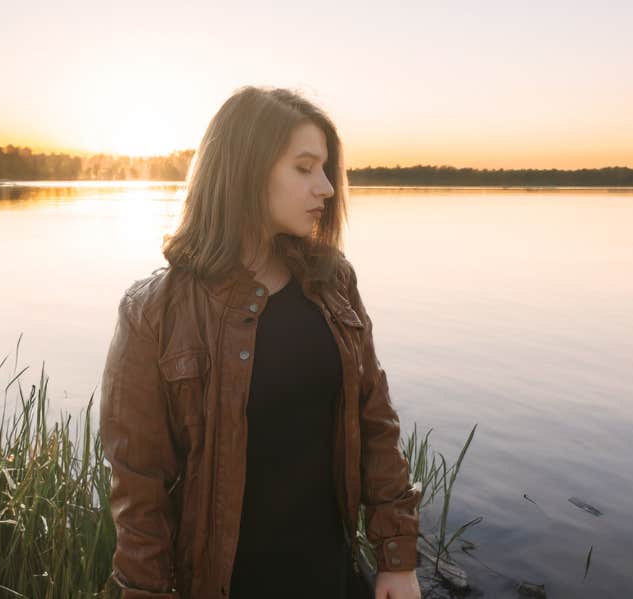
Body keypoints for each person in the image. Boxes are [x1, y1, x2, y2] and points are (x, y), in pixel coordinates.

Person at [99, 85, 423, 599]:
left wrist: (397, 559)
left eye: (325, 169)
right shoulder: (155, 311)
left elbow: (375, 421)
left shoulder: (333, 284)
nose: (326, 188)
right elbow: (138, 487)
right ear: (246, 169)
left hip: (332, 577)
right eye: (304, 168)